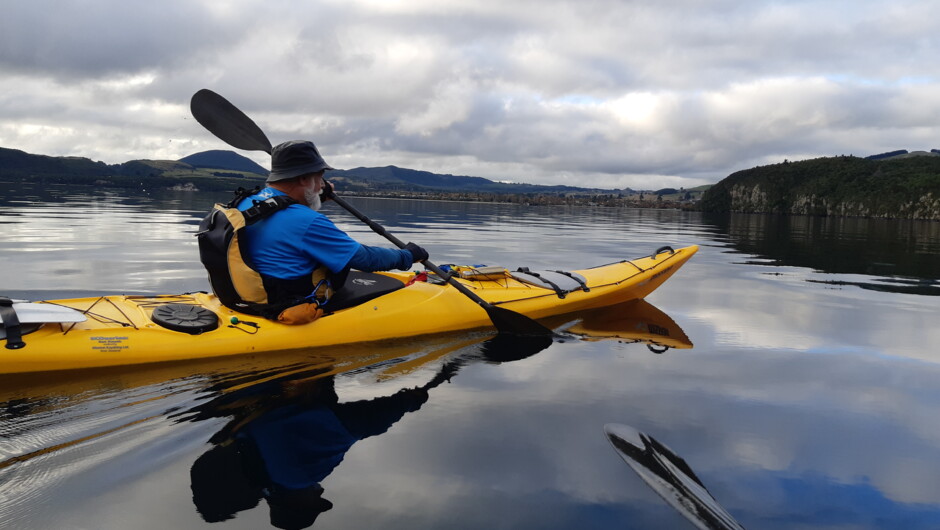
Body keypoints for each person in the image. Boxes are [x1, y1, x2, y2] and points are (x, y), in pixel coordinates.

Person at [237, 140, 429, 312]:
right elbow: (366, 260)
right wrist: (408, 255)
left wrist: (316, 195)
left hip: (246, 298)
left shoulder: (246, 204)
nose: (322, 184)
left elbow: (286, 218)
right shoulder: (307, 222)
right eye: (320, 177)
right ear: (304, 179)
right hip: (289, 303)